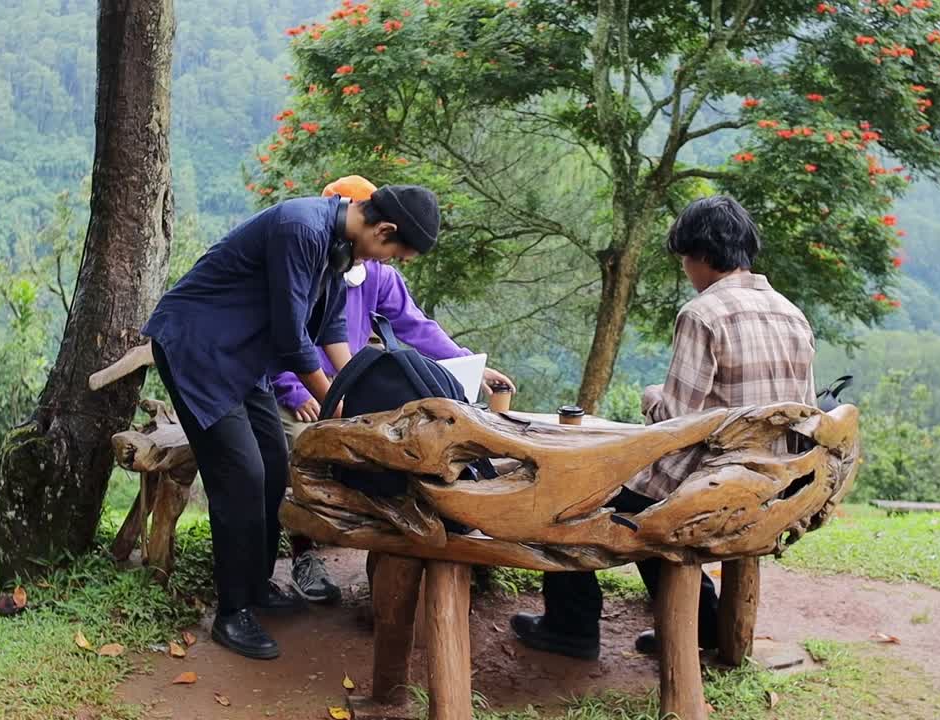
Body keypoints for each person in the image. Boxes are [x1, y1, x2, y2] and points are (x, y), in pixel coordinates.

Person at [509, 195, 816, 660]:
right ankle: (703, 626)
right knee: (646, 505)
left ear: (703, 255)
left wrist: (652, 395)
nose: (687, 272)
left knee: (573, 498)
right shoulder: (792, 313)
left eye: (686, 261)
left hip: (709, 484)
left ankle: (570, 626)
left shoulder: (703, 314)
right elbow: (805, 412)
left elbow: (675, 419)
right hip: (769, 486)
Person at [142, 183, 442, 660]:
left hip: (243, 359)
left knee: (275, 464)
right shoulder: (300, 229)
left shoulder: (342, 249)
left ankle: (256, 585)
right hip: (199, 350)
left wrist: (353, 395)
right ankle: (232, 612)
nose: (392, 263)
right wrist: (335, 406)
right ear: (383, 229)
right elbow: (291, 337)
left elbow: (331, 330)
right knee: (242, 475)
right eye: (396, 252)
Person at [272, 175, 514, 604]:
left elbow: (415, 326)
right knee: (304, 449)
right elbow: (284, 337)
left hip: (348, 393)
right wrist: (295, 390)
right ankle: (304, 553)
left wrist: (470, 365)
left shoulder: (376, 276)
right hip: (300, 392)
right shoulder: (308, 258)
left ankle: (389, 556)